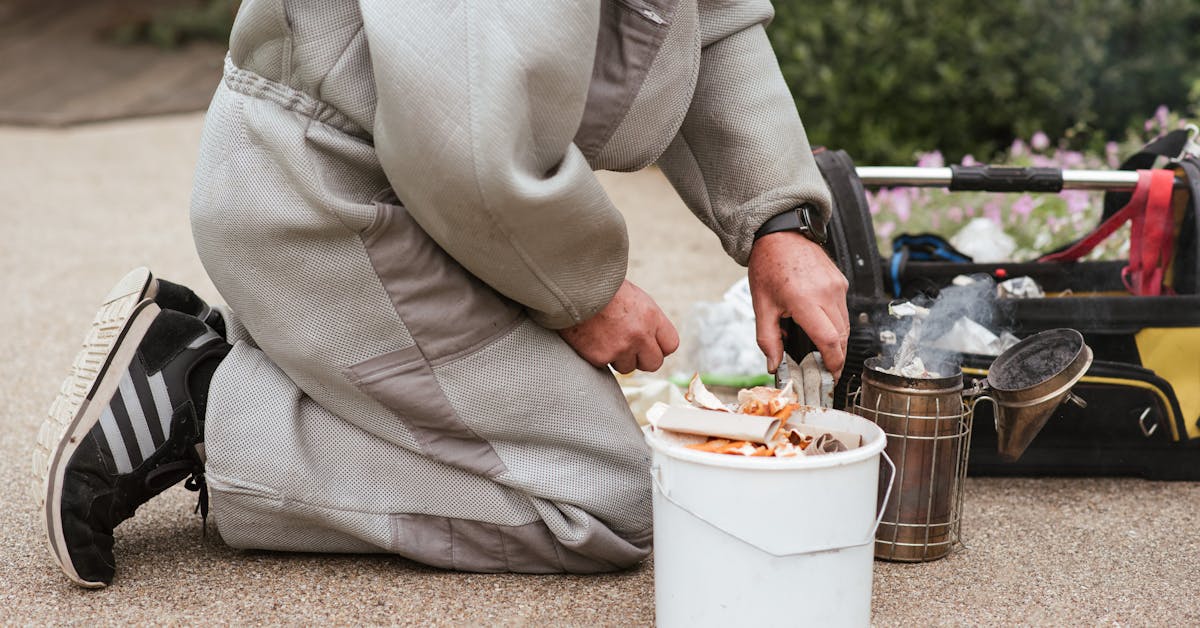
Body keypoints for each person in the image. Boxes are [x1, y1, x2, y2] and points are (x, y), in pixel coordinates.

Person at [34, 0, 849, 588]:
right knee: (607, 497)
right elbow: (458, 127)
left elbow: (707, 14)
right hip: (335, 204)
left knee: (574, 457)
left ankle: (285, 369)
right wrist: (582, 293)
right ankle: (200, 398)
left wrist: (775, 219)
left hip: (425, 207)